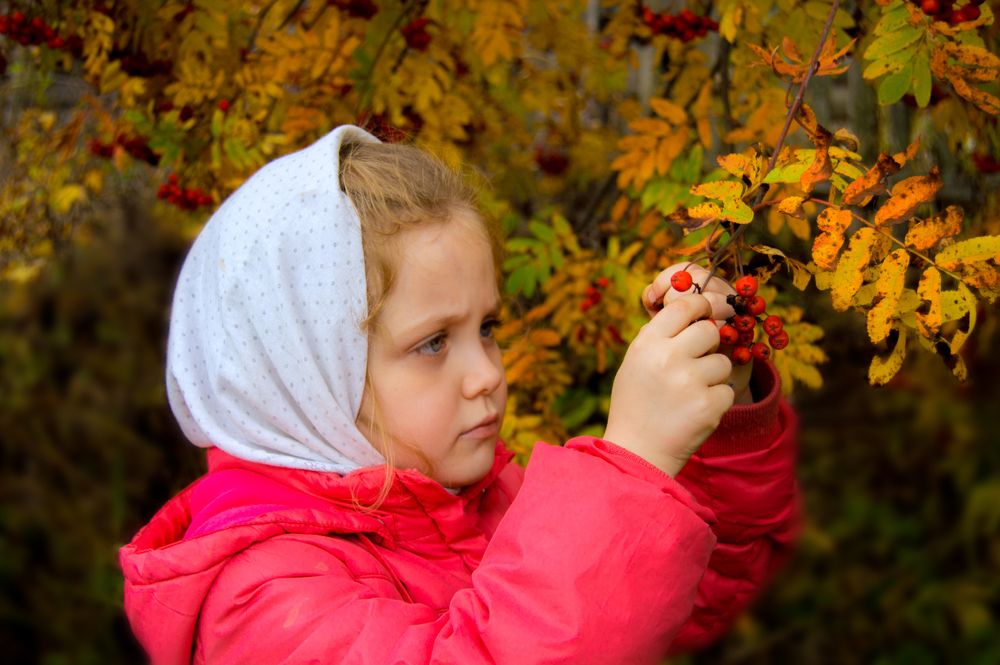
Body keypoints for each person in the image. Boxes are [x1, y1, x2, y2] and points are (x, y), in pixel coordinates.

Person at [120, 125, 800, 664]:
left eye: (488, 328)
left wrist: (718, 412)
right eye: (433, 343)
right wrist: (633, 462)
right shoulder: (260, 598)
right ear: (305, 379)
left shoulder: (477, 498)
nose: (486, 374)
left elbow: (692, 604)